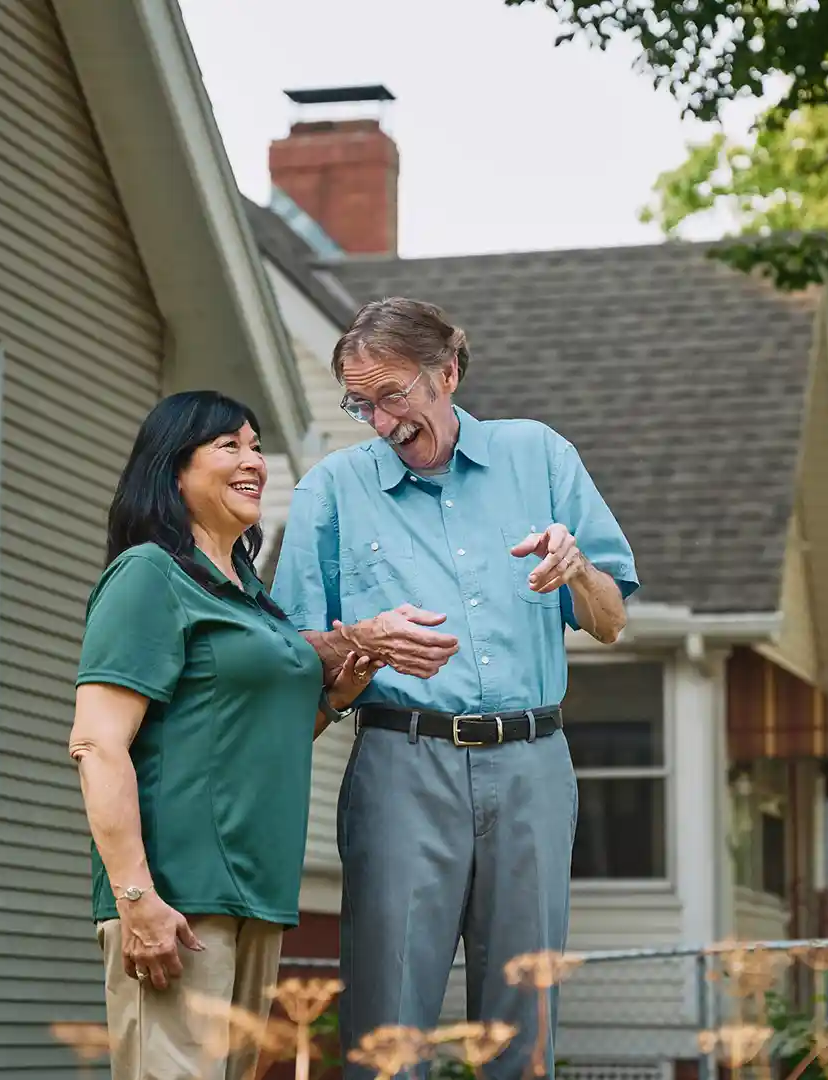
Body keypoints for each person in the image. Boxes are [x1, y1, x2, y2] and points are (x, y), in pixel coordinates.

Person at [272, 298, 639, 1080]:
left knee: (524, 1018)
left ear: (448, 372)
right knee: (387, 1023)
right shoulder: (331, 490)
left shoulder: (538, 456)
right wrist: (361, 637)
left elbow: (610, 621)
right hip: (402, 764)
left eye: (392, 395)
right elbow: (290, 651)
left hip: (534, 763)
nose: (378, 420)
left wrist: (578, 570)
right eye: (358, 403)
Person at [67, 390, 381, 1080]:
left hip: (256, 895)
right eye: (229, 446)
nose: (254, 462)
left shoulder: (244, 594)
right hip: (178, 898)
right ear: (173, 468)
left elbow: (249, 741)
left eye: (257, 446)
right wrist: (136, 898)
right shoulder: (149, 574)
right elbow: (97, 744)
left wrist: (335, 701)